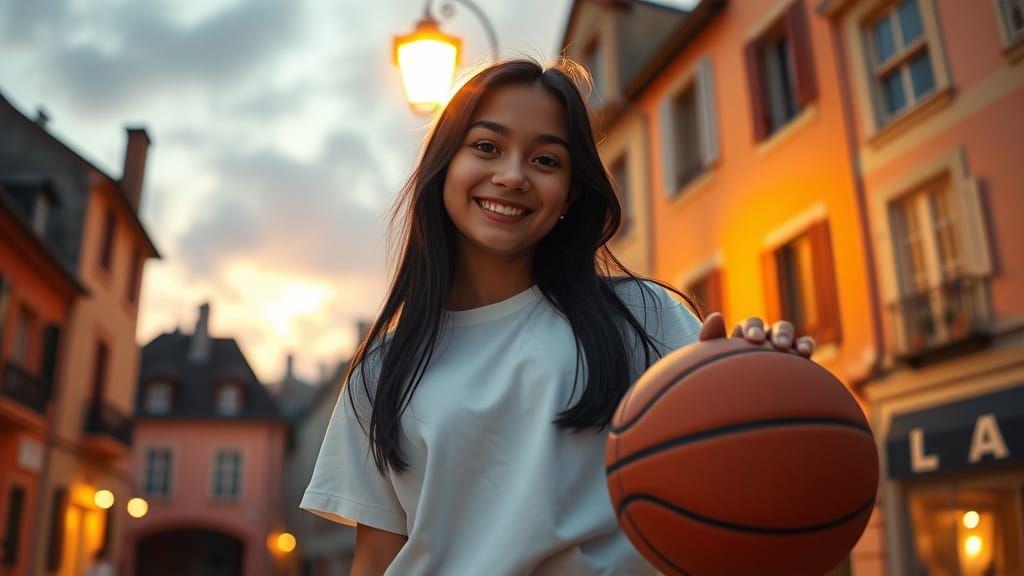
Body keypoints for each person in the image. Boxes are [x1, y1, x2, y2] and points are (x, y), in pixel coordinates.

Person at [300, 58, 814, 575]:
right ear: (444, 166)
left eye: (546, 160)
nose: (512, 175)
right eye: (486, 147)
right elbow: (374, 560)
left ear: (569, 193)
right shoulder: (381, 370)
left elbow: (748, 473)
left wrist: (771, 386)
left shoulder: (641, 317)